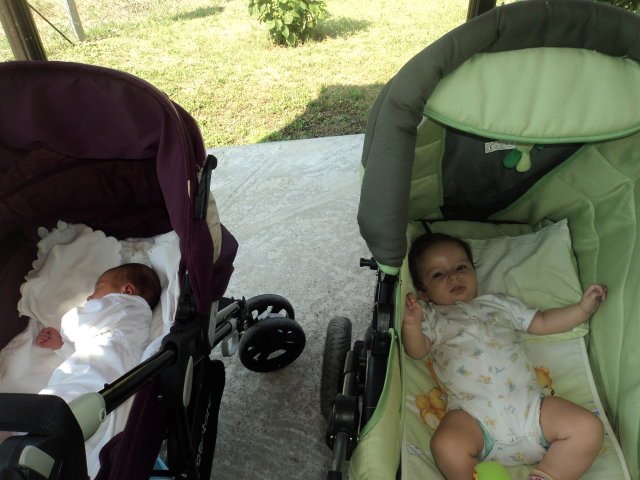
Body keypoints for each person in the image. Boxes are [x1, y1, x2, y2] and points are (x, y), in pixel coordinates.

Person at [402, 233, 607, 480]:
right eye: (438, 274)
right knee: (445, 446)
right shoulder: (431, 317)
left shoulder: (500, 304)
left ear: (474, 271)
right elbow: (417, 350)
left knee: (588, 428)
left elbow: (543, 321)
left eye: (460, 267)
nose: (453, 277)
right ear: (423, 292)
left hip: (531, 408)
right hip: (473, 417)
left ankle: (546, 475)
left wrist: (582, 309)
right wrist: (411, 324)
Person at [36, 263, 161, 352]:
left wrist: (65, 329)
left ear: (127, 291)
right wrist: (60, 346)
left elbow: (77, 325)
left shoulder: (119, 304)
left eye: (98, 288)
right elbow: (86, 351)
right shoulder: (140, 322)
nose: (89, 297)